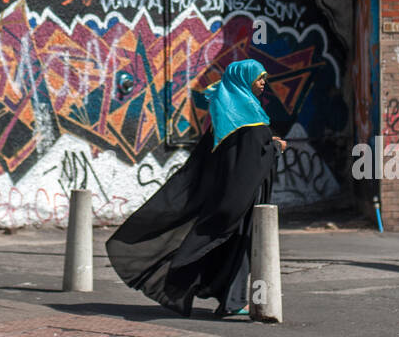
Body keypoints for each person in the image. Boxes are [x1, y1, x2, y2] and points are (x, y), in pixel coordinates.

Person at [106, 58, 287, 318]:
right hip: (242, 195)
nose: (262, 84)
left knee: (234, 248)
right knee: (240, 247)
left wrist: (267, 143)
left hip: (230, 192)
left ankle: (231, 301)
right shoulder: (247, 110)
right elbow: (253, 155)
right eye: (259, 78)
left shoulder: (227, 110)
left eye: (263, 79)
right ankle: (231, 302)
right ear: (243, 80)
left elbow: (237, 151)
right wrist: (277, 148)